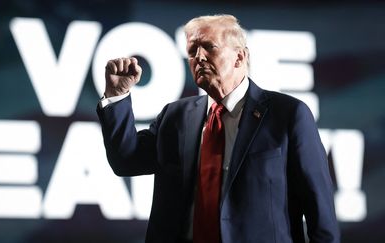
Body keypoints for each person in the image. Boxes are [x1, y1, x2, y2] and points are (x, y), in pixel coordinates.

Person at [97, 14, 339, 243]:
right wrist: (117, 96)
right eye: (192, 51)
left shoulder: (288, 115)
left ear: (240, 57)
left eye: (209, 47)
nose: (199, 57)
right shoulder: (175, 116)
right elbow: (126, 161)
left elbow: (319, 208)